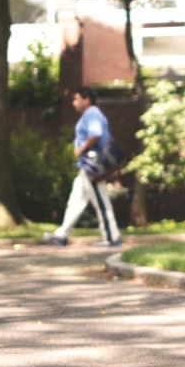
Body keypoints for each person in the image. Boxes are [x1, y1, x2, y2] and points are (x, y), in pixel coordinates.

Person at [43, 87, 123, 248]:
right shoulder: (91, 114)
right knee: (75, 201)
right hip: (86, 168)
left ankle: (112, 237)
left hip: (92, 167)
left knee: (101, 202)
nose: (74, 103)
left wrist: (80, 149)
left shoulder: (92, 114)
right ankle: (61, 235)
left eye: (76, 99)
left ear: (86, 100)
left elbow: (96, 133)